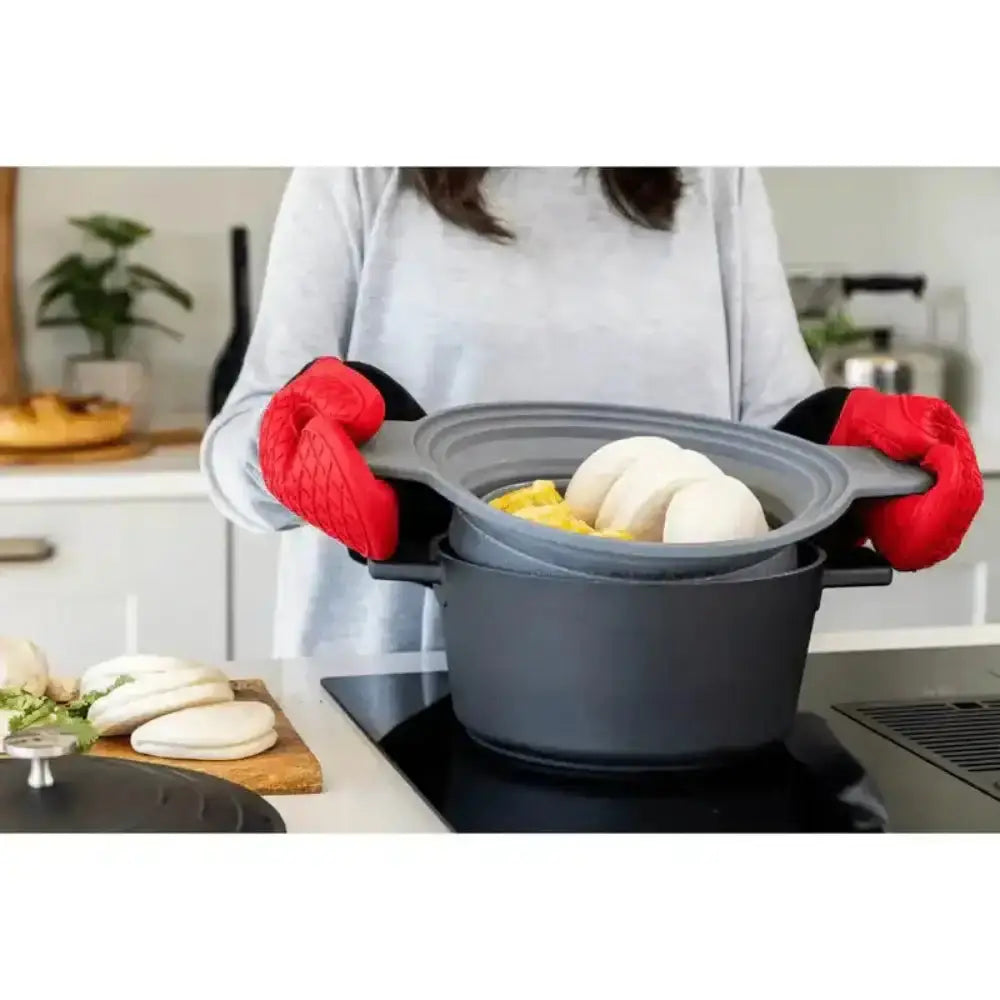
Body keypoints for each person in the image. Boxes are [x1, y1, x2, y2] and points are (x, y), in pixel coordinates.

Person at [201, 167, 982, 659]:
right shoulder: (361, 167)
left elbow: (767, 435)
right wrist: (289, 447)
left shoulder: (714, 174)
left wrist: (848, 462)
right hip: (396, 670)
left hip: (675, 674)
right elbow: (239, 440)